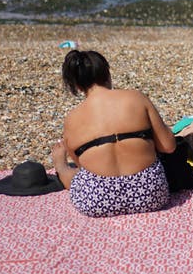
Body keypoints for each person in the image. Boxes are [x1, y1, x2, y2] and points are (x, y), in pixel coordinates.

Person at [50, 50, 177, 218]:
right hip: (151, 195)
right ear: (107, 74)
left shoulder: (72, 119)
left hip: (97, 202)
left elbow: (82, 165)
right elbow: (168, 146)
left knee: (78, 176)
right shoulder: (136, 98)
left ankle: (60, 166)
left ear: (78, 86)